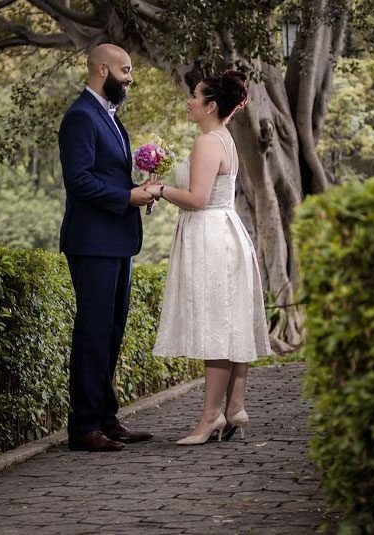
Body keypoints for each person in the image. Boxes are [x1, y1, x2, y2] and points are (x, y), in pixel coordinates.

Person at [145, 70, 272, 445]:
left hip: (210, 235)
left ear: (211, 105)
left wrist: (160, 189)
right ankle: (235, 406)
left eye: (195, 97)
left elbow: (198, 199)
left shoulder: (207, 143)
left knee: (217, 325)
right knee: (229, 319)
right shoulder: (225, 139)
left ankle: (210, 417)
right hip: (227, 231)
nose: (189, 102)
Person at [58, 43, 155, 452]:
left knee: (111, 331)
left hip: (117, 241)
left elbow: (108, 176)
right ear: (103, 69)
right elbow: (78, 180)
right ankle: (83, 426)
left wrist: (138, 188)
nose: (130, 78)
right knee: (93, 332)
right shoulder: (80, 116)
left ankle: (106, 418)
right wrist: (128, 197)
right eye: (126, 70)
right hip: (93, 242)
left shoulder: (110, 117)